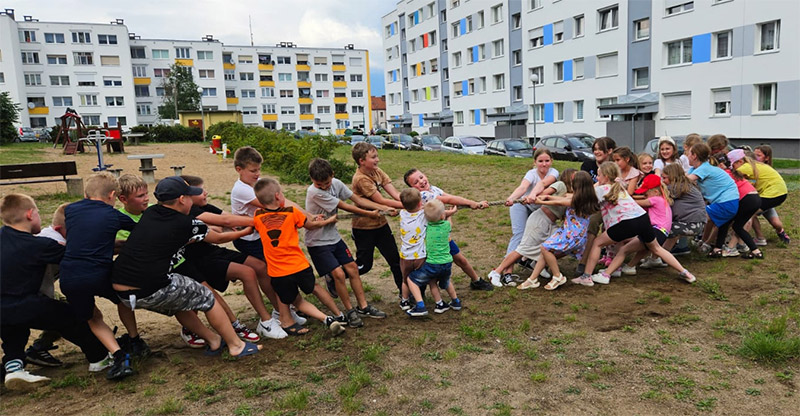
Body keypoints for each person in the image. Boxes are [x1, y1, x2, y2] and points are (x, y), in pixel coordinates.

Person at [112, 177, 262, 358]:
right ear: (182, 199)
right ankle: (236, 346)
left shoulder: (151, 213)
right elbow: (219, 238)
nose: (193, 201)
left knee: (179, 303)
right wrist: (246, 231)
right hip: (149, 286)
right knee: (208, 297)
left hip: (122, 290)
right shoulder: (185, 223)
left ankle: (214, 341)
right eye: (190, 197)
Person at [1, 194, 109, 390]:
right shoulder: (38, 245)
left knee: (13, 331)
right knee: (70, 317)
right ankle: (99, 357)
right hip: (27, 304)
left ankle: (14, 368)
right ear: (30, 214)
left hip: (2, 307)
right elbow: (75, 257)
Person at [176, 175, 293, 341]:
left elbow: (228, 220)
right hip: (195, 260)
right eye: (201, 191)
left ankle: (281, 312)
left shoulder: (205, 206)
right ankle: (265, 321)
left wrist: (247, 222)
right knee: (244, 274)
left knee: (259, 266)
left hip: (211, 251)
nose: (206, 193)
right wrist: (261, 221)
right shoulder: (191, 212)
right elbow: (223, 225)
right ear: (186, 197)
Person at [59, 172, 141, 380]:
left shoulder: (71, 210)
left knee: (92, 317)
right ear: (112, 195)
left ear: (86, 194)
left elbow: (86, 236)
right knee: (122, 298)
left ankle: (119, 355)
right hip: (99, 272)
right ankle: (135, 339)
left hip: (69, 276)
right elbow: (140, 230)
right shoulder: (113, 214)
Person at [573, 162, 696, 286]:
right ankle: (685, 272)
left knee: (598, 243)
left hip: (631, 223)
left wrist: (555, 200)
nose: (597, 178)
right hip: (644, 221)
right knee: (655, 248)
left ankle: (588, 276)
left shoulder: (604, 189)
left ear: (605, 176)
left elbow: (576, 200)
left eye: (598, 175)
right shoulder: (619, 187)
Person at [252, 177, 346, 336]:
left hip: (279, 272)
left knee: (296, 300)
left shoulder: (258, 216)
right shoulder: (292, 213)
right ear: (277, 196)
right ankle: (338, 314)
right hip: (299, 265)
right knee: (315, 287)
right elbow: (311, 225)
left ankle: (322, 319)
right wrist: (327, 220)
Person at [305, 158, 388, 328]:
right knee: (339, 274)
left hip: (334, 237)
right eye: (319, 184)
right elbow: (345, 206)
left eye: (326, 183)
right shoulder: (314, 192)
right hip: (318, 241)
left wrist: (380, 209)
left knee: (352, 269)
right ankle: (349, 311)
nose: (324, 187)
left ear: (332, 175)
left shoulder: (336, 183)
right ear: (312, 180)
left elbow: (356, 199)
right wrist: (369, 214)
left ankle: (363, 306)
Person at [403, 168, 495, 291]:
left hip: (442, 235)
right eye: (416, 182)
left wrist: (472, 204)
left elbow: (449, 197)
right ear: (413, 189)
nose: (421, 181)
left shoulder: (434, 189)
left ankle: (476, 280)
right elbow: (449, 200)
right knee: (426, 267)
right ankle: (416, 293)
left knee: (460, 259)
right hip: (430, 239)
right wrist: (471, 203)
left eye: (421, 177)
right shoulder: (424, 196)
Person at [488, 169, 575, 287]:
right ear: (569, 177)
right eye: (575, 176)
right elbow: (544, 194)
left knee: (558, 245)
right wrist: (539, 197)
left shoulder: (572, 194)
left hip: (551, 224)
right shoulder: (560, 185)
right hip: (540, 220)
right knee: (522, 249)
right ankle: (496, 272)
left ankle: (536, 264)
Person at [520, 171, 599, 290]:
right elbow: (562, 197)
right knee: (546, 252)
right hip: (573, 234)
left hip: (571, 235)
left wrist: (540, 201)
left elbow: (560, 201)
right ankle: (532, 279)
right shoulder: (585, 197)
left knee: (544, 248)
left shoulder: (577, 201)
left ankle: (557, 276)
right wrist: (547, 196)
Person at [349, 142, 406, 306]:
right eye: (373, 157)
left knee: (396, 261)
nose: (377, 160)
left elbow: (394, 194)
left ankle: (404, 295)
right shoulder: (360, 179)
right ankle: (336, 275)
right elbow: (380, 200)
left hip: (381, 225)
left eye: (377, 156)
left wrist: (409, 202)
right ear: (362, 161)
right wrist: (408, 206)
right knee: (364, 266)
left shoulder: (376, 171)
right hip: (363, 229)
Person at [398, 188, 458, 312]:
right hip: (420, 255)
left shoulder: (402, 214)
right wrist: (450, 212)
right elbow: (435, 214)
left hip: (405, 256)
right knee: (431, 279)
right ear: (420, 203)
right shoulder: (424, 215)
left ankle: (404, 301)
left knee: (405, 280)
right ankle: (441, 302)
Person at [25, 203, 69, 367]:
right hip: (23, 297)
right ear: (59, 229)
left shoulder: (51, 235)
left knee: (65, 305)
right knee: (71, 310)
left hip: (30, 294)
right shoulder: (53, 243)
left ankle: (38, 348)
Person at [502, 149, 558, 260]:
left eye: (547, 161)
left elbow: (543, 183)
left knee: (538, 235)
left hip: (539, 209)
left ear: (551, 161)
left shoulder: (553, 172)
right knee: (519, 234)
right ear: (535, 162)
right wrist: (511, 198)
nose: (544, 164)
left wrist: (532, 195)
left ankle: (529, 260)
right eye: (540, 161)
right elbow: (523, 187)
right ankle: (506, 269)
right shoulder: (531, 174)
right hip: (522, 205)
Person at [685, 143, 740, 254]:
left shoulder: (704, 168)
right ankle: (704, 242)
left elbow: (686, 180)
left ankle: (705, 244)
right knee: (709, 220)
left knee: (700, 216)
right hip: (726, 201)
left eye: (688, 154)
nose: (686, 156)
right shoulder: (695, 168)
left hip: (727, 201)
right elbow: (684, 177)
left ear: (694, 156)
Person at [707, 150, 762, 258]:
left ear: (721, 165)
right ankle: (755, 251)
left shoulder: (724, 174)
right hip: (754, 198)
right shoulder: (732, 171)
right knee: (732, 224)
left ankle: (719, 249)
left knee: (733, 224)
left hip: (747, 199)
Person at [616, 175, 674, 276]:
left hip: (656, 231)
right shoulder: (663, 200)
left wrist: (622, 198)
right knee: (644, 248)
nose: (644, 195)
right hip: (662, 233)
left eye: (646, 193)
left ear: (655, 192)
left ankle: (614, 268)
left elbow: (636, 203)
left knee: (624, 249)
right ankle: (630, 266)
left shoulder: (655, 199)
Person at [730, 149, 790, 244]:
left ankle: (741, 243)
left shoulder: (744, 168)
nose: (733, 168)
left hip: (771, 194)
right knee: (771, 220)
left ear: (740, 161)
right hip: (778, 192)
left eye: (733, 165)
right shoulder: (756, 165)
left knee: (747, 213)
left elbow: (727, 178)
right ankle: (774, 234)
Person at [576, 136, 616, 275]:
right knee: (587, 221)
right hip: (591, 202)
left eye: (600, 149)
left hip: (609, 203)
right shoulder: (588, 165)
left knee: (599, 223)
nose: (597, 152)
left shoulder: (614, 167)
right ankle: (581, 259)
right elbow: (584, 189)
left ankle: (588, 261)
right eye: (595, 149)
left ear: (609, 151)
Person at [659, 163, 707, 256]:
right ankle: (660, 257)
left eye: (665, 178)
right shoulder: (684, 185)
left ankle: (656, 255)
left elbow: (658, 195)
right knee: (671, 234)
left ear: (673, 177)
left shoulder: (677, 187)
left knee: (661, 230)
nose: (663, 181)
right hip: (694, 223)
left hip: (692, 224)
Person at [751, 145, 784, 245]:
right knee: (752, 213)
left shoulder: (765, 169)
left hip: (766, 198)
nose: (755, 158)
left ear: (766, 158)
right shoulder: (754, 167)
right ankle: (763, 236)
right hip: (761, 199)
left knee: (750, 213)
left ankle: (776, 233)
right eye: (754, 155)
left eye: (758, 155)